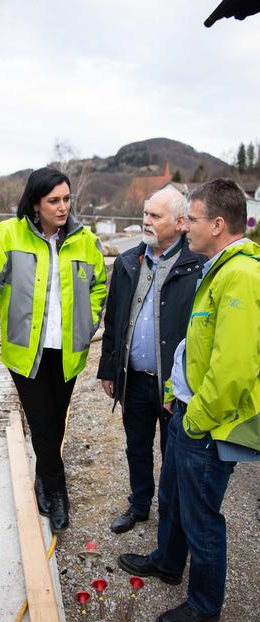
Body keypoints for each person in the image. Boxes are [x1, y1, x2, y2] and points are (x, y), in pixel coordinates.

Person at [118, 179, 260, 622]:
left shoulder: (240, 276)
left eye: (193, 220)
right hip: (185, 408)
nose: (186, 227)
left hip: (207, 420)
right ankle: (166, 562)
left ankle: (204, 603)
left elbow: (234, 367)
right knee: (175, 495)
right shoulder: (217, 268)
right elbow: (197, 346)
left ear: (218, 224)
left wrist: (195, 418)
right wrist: (176, 392)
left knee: (202, 516)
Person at [0, 167, 106, 533]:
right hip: (27, 351)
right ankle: (57, 492)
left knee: (55, 422)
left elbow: (100, 286)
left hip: (68, 351)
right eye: (53, 200)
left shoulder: (86, 241)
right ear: (36, 204)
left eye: (67, 199)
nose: (63, 207)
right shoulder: (8, 234)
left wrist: (88, 324)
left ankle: (44, 477)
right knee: (41, 423)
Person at [97, 186, 205, 534]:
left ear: (180, 222)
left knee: (172, 456)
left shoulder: (197, 267)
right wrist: (108, 369)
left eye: (154, 216)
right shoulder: (129, 261)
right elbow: (113, 320)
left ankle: (172, 524)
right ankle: (140, 506)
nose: (146, 221)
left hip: (174, 386)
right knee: (136, 448)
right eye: (145, 214)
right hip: (135, 379)